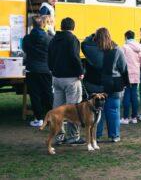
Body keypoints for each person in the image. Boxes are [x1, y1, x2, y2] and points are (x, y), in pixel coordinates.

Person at [81, 28, 127, 142]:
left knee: (96, 110)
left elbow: (84, 42)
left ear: (95, 38)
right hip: (113, 84)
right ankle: (114, 135)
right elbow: (123, 68)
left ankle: (97, 134)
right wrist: (125, 82)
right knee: (114, 110)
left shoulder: (89, 49)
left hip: (94, 84)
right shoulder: (117, 50)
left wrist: (92, 35)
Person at [48, 17, 84, 145]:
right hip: (70, 79)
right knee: (73, 108)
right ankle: (73, 136)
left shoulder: (53, 40)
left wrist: (52, 69)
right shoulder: (72, 39)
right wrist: (80, 71)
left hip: (56, 78)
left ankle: (58, 136)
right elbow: (75, 57)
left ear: (61, 27)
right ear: (73, 27)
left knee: (58, 109)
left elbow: (49, 58)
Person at [22, 15, 53, 127]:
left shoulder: (26, 38)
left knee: (35, 95)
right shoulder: (49, 38)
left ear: (32, 25)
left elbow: (25, 50)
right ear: (43, 24)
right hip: (46, 69)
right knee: (48, 93)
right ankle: (51, 117)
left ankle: (39, 118)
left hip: (31, 69)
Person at [120, 30, 141, 125]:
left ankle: (126, 118)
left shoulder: (124, 47)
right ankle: (134, 117)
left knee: (126, 95)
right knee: (134, 95)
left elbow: (121, 62)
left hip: (127, 74)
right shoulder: (140, 47)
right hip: (136, 73)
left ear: (126, 37)